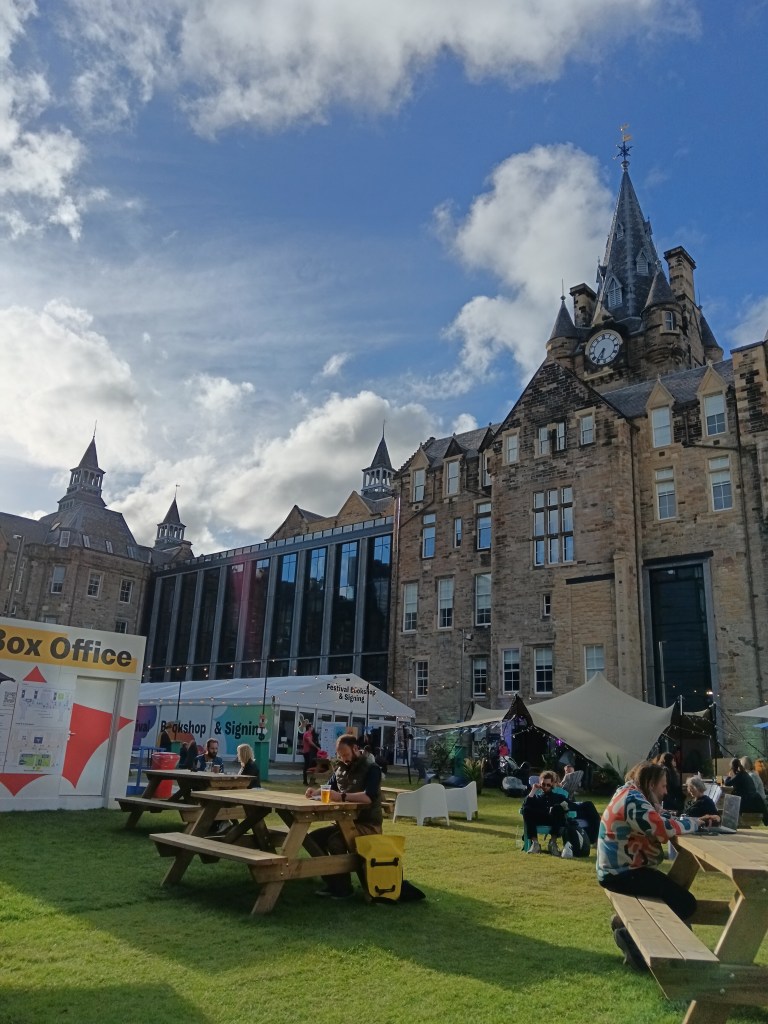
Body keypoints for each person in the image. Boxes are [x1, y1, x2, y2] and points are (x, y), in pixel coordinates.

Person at [597, 760, 713, 971]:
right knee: (684, 903)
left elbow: (657, 819)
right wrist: (696, 823)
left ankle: (629, 929)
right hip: (622, 874)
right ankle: (645, 947)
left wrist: (689, 819)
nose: (665, 792)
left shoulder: (629, 794)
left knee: (672, 895)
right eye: (663, 786)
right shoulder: (633, 800)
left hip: (618, 871)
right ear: (651, 785)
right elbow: (661, 829)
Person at [305, 734, 383, 899]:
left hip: (368, 824)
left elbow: (368, 797)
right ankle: (334, 882)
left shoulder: (372, 768)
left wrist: (341, 797)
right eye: (340, 756)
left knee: (336, 841)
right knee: (312, 839)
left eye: (346, 755)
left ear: (356, 748)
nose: (344, 759)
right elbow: (330, 786)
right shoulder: (340, 767)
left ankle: (343, 888)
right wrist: (315, 792)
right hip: (345, 822)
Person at [521, 770, 568, 855]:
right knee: (527, 809)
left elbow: (569, 805)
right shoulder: (536, 797)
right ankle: (535, 844)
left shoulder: (558, 797)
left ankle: (552, 843)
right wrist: (533, 790)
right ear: (540, 783)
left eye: (548, 785)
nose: (545, 787)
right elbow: (524, 806)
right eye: (543, 784)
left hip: (553, 820)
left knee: (558, 808)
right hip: (539, 819)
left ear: (552, 784)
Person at [725, 757, 768, 822]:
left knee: (730, 800)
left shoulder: (742, 775)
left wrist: (729, 776)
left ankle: (729, 822)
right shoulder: (745, 774)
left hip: (749, 804)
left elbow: (727, 783)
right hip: (755, 801)